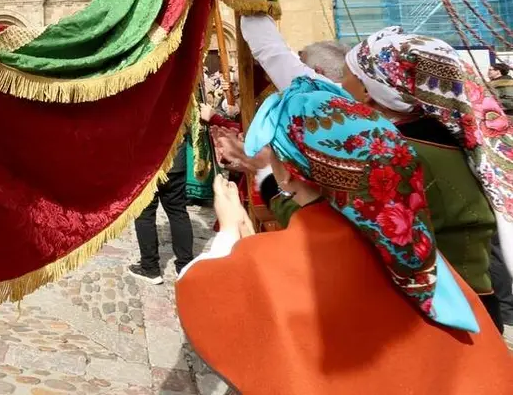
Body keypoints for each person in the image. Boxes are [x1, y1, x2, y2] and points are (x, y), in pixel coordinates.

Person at [176, 77, 513, 394]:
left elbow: (200, 287)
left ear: (290, 173)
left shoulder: (277, 258)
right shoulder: (410, 245)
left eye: (274, 155)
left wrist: (231, 227)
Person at [240, 16, 511, 328]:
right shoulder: (464, 138)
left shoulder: (397, 155)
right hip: (477, 303)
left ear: (368, 91)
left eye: (348, 77)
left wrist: (272, 182)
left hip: (432, 318)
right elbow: (288, 67)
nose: (340, 86)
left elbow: (342, 234)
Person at [130, 142, 195, 283]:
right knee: (178, 213)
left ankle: (150, 268)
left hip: (146, 162)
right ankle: (185, 266)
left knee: (144, 215)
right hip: (175, 160)